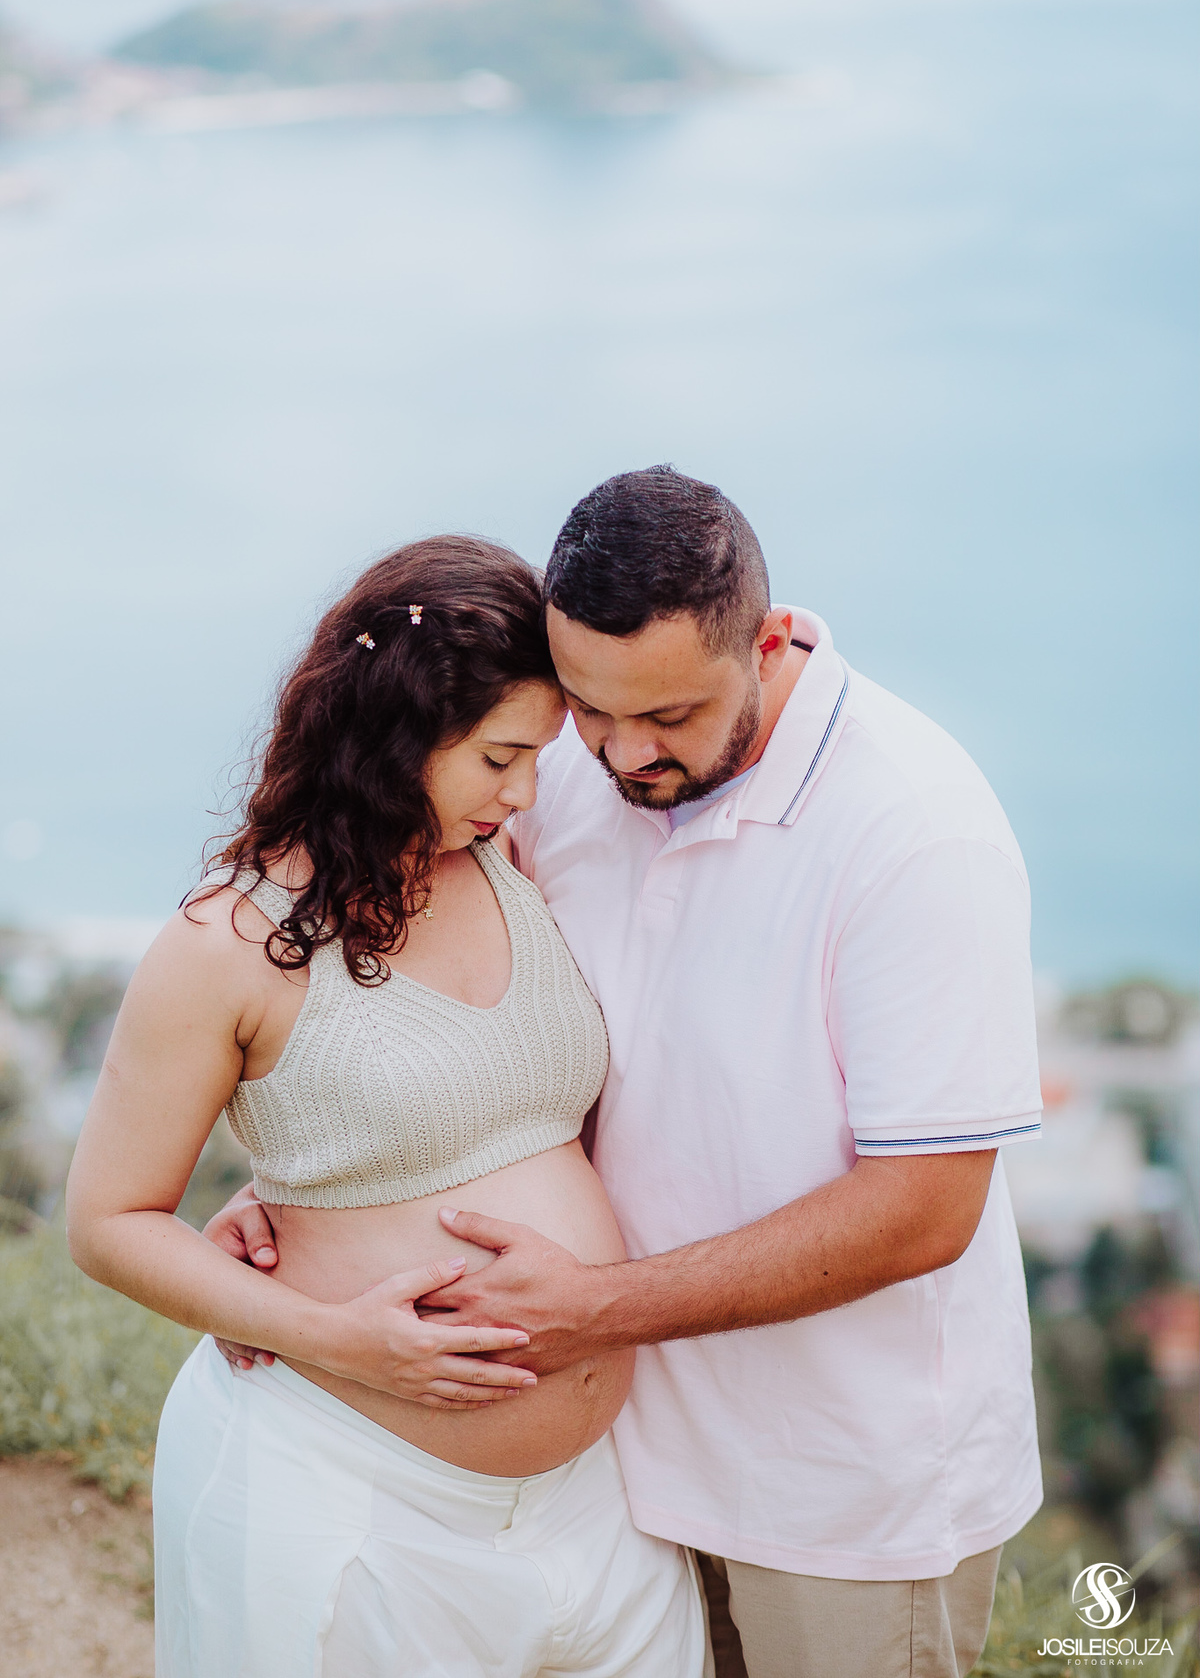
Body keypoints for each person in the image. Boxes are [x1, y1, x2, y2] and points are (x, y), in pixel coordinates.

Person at [210, 467, 1045, 1678]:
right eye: (590, 708)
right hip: (624, 1478)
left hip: (847, 1494)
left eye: (670, 715)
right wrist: (325, 1192)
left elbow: (923, 1209)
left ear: (765, 639)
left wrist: (590, 1308)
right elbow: (511, 1043)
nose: (625, 751)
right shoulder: (571, 783)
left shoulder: (915, 824)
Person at [65, 535, 708, 1678]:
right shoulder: (227, 942)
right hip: (344, 1491)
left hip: (596, 1505)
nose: (525, 789)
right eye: (501, 754)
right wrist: (335, 1334)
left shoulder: (512, 857)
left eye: (538, 756)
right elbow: (109, 1218)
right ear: (397, 731)